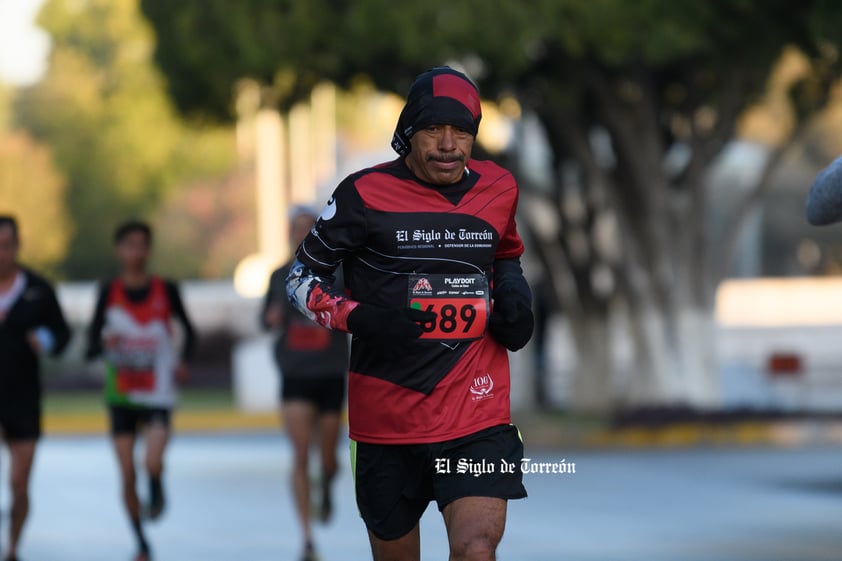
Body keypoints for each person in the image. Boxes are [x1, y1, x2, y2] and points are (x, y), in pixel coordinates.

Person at [287, 66, 535, 561]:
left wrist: (513, 292)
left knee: (477, 548)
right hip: (388, 419)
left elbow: (506, 253)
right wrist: (357, 317)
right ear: (408, 134)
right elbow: (299, 281)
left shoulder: (499, 187)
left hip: (475, 413)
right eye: (432, 130)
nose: (448, 144)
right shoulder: (361, 194)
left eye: (461, 131)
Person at [85, 220, 195, 561]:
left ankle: (157, 482)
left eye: (141, 245)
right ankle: (141, 540)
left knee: (151, 459)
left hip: (158, 392)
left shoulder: (167, 289)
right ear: (119, 250)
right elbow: (90, 342)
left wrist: (183, 361)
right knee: (127, 471)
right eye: (129, 245)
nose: (135, 252)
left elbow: (189, 331)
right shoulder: (108, 292)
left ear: (149, 250)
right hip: (121, 394)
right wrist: (106, 342)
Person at [262, 204, 349, 561]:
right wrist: (271, 318)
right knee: (300, 456)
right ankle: (307, 537)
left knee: (327, 458)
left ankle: (327, 482)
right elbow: (264, 321)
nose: (301, 233)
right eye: (296, 227)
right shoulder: (278, 275)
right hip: (295, 375)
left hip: (330, 375)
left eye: (307, 227)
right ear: (288, 233)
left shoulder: (339, 273)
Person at [0, 215, 71, 561]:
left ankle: (13, 546)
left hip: (24, 399)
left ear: (18, 245)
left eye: (6, 246)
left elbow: (63, 333)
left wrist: (45, 339)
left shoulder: (39, 289)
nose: (1, 254)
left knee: (19, 483)